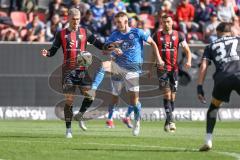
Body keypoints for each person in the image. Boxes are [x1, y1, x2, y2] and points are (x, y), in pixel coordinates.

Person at [40, 8, 115, 138]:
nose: (76, 22)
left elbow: (99, 45)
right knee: (69, 101)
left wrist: (111, 46)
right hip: (68, 72)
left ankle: (80, 114)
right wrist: (47, 53)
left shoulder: (85, 32)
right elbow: (53, 50)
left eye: (78, 19)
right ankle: (68, 130)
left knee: (90, 95)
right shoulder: (61, 34)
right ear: (68, 18)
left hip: (82, 71)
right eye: (73, 19)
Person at [99, 11, 164, 135]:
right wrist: (113, 47)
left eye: (119, 22)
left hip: (133, 70)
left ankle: (137, 120)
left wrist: (159, 59)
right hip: (118, 69)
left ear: (126, 21)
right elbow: (104, 49)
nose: (117, 24)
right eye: (116, 22)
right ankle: (110, 118)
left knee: (134, 101)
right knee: (114, 96)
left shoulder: (138, 32)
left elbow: (153, 43)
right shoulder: (114, 35)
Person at [197, 22, 240, 151]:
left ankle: (208, 140)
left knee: (214, 107)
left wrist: (199, 86)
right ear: (230, 31)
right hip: (239, 75)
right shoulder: (238, 39)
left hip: (222, 79)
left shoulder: (210, 46)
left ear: (218, 33)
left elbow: (204, 66)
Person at [151, 14, 192, 132]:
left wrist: (189, 61)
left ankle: (167, 121)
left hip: (174, 70)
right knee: (167, 94)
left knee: (173, 97)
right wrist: (149, 68)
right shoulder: (156, 35)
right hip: (161, 69)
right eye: (164, 22)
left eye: (168, 21)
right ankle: (172, 121)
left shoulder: (179, 35)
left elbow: (187, 50)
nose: (166, 24)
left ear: (172, 22)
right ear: (161, 23)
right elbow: (153, 53)